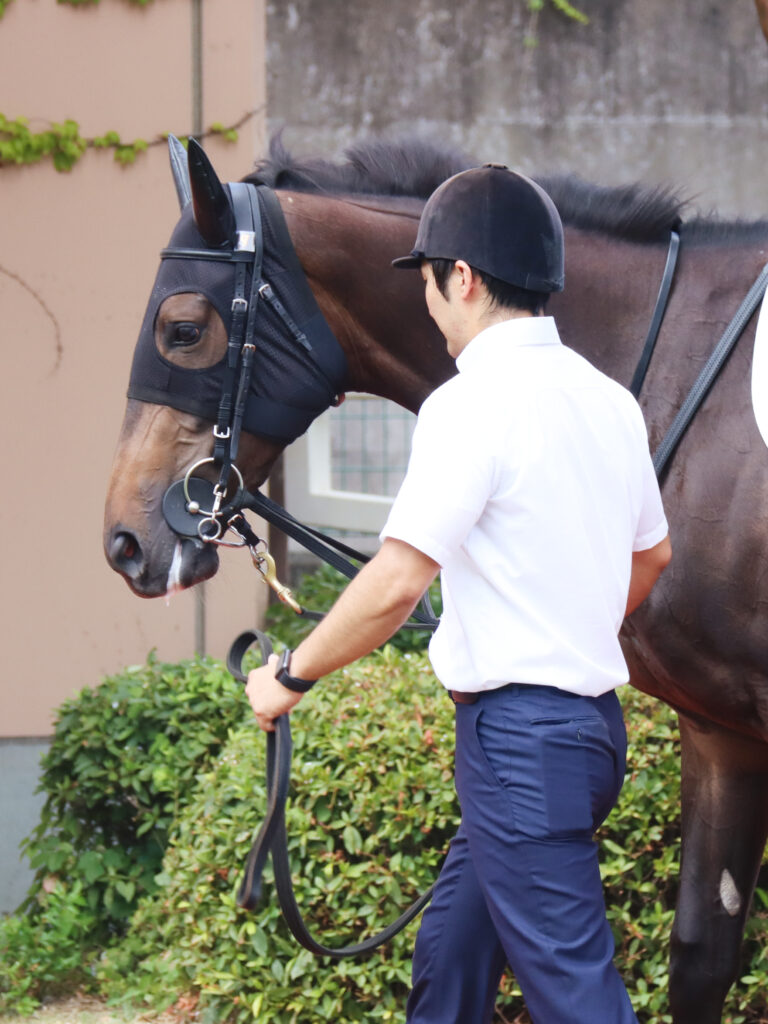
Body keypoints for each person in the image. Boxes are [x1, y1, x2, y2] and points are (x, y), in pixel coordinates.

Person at [245, 164, 672, 1024]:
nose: (429, 303)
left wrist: (290, 675)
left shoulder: (469, 405)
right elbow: (654, 556)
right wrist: (569, 625)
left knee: (577, 995)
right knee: (452, 957)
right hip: (587, 736)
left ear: (464, 278)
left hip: (520, 744)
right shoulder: (610, 402)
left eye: (429, 282)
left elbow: (397, 582)